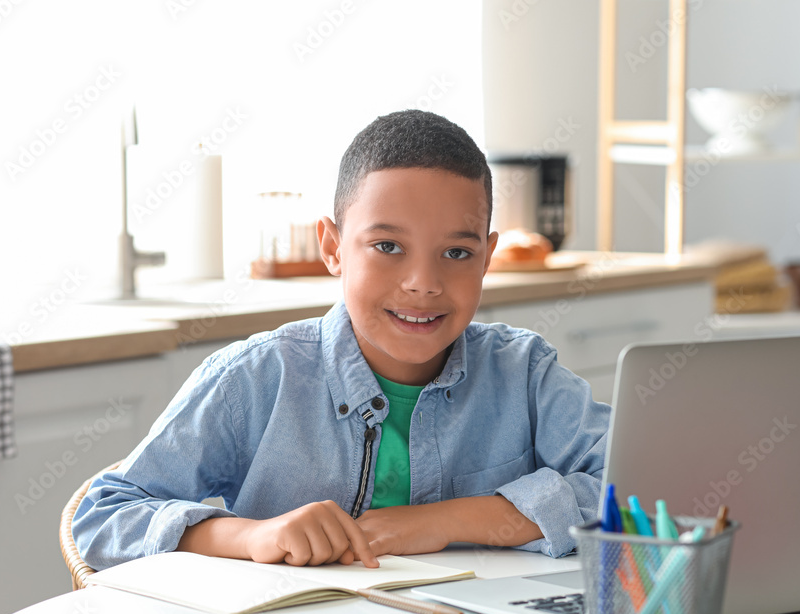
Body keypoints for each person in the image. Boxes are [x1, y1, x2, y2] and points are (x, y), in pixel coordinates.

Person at [72, 110, 609, 572]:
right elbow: (103, 517)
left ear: (488, 257)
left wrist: (449, 520)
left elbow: (639, 484)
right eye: (387, 245)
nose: (423, 282)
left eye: (457, 253)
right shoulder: (254, 380)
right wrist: (251, 536)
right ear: (332, 247)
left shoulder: (525, 373)